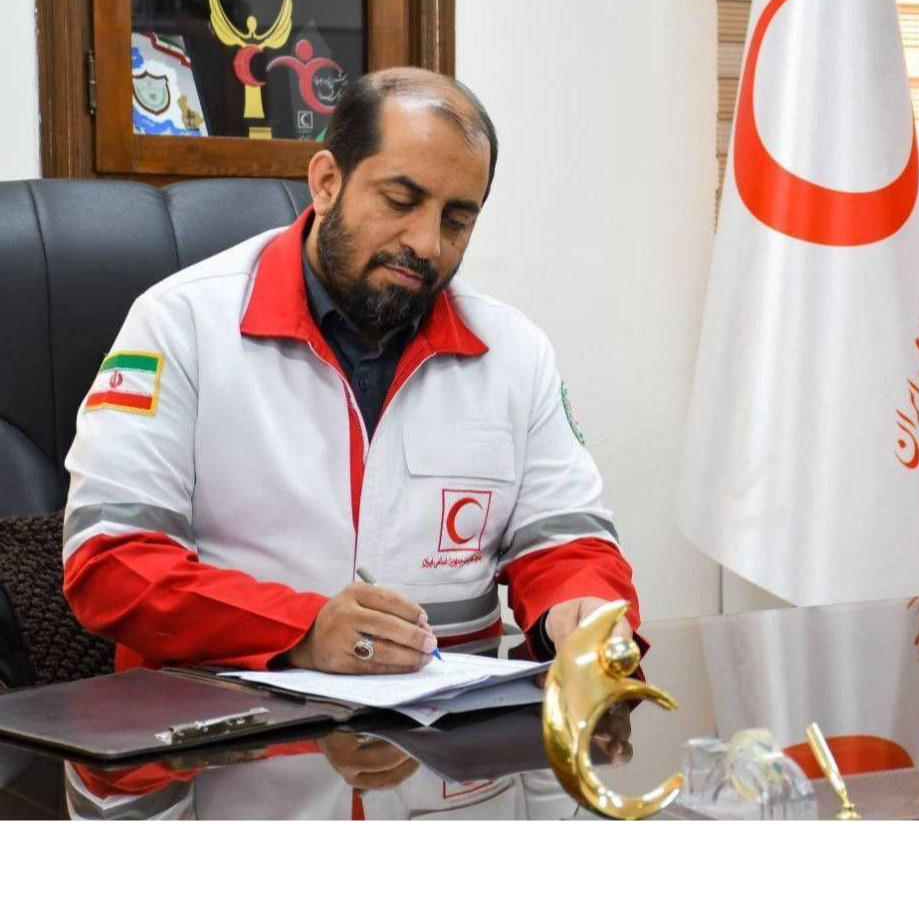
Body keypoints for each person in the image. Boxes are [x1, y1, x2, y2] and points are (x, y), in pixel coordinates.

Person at [61, 67, 640, 674]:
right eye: (401, 201)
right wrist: (303, 629)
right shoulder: (180, 323)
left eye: (456, 220)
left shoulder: (515, 352)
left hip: (450, 724)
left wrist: (579, 607)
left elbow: (567, 541)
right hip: (225, 719)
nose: (426, 243)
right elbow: (110, 562)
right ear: (327, 182)